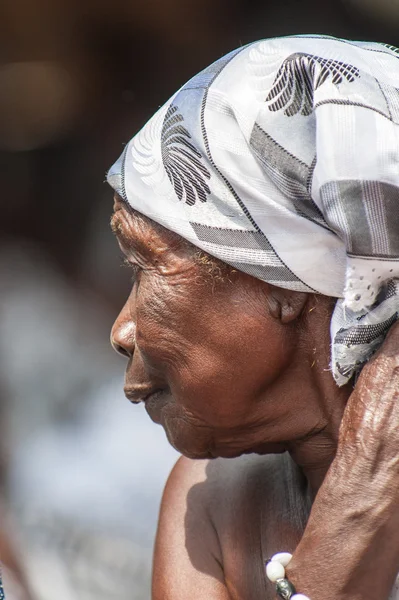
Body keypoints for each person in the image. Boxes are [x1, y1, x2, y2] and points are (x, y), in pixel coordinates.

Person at [108, 35, 399, 599]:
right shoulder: (215, 504)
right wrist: (354, 519)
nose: (122, 330)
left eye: (146, 265)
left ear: (283, 282)